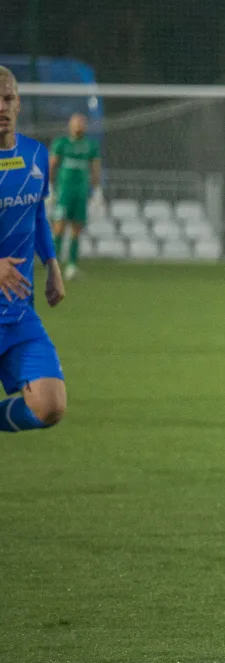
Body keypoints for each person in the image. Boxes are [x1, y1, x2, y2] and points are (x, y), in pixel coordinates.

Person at [0, 66, 68, 433]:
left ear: (19, 103)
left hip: (17, 312)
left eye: (7, 98)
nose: (1, 107)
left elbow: (37, 214)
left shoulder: (35, 155)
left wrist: (52, 265)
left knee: (50, 406)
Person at [48, 112, 101, 281]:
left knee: (76, 229)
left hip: (81, 193)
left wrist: (97, 191)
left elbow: (95, 169)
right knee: (59, 228)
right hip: (64, 192)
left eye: (81, 123)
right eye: (75, 123)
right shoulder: (61, 143)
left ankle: (71, 266)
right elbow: (52, 165)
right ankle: (53, 267)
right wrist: (49, 187)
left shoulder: (90, 146)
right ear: (70, 125)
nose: (78, 126)